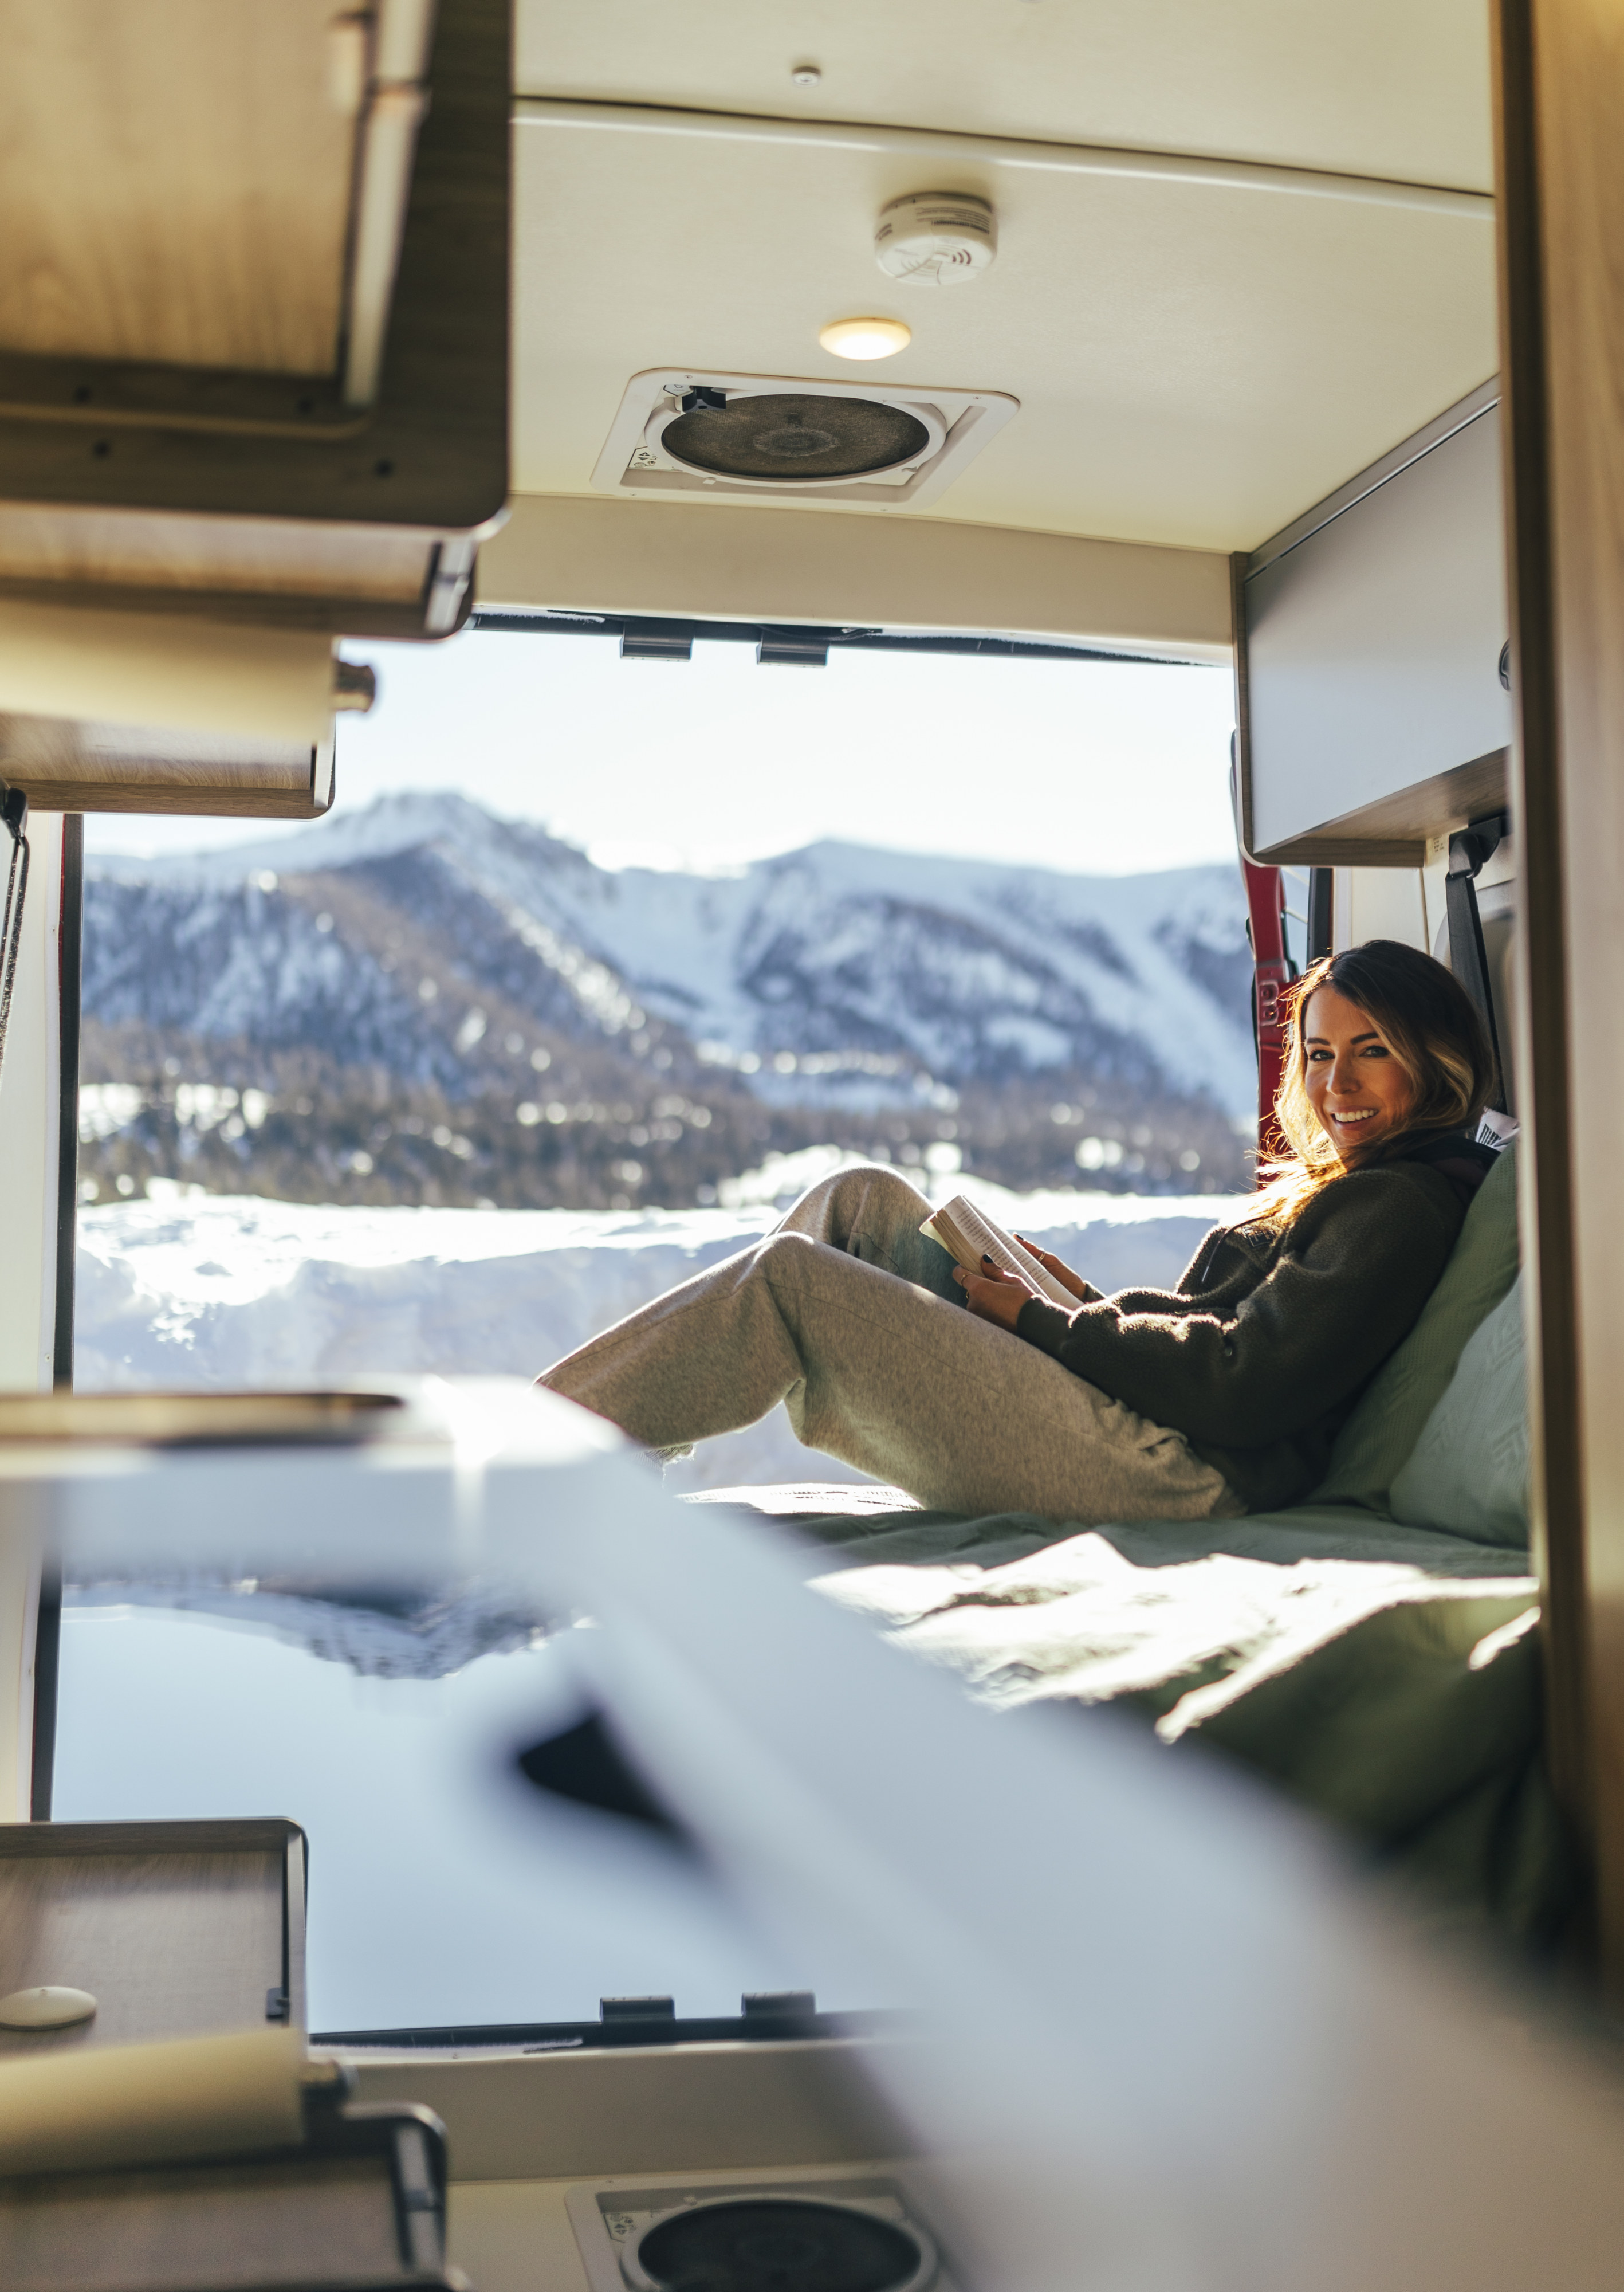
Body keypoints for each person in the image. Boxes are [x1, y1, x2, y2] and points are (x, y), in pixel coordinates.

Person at [538, 940, 1499, 1521]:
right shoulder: (1361, 1191)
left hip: (1190, 1478)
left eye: (1372, 1052)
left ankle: (517, 1468)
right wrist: (1066, 1296)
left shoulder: (1397, 1205)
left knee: (792, 1279)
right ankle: (599, 1445)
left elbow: (1246, 1383)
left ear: (1436, 1058)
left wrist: (1045, 1326)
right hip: (1170, 1434)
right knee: (862, 1200)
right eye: (1323, 1053)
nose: (1337, 1085)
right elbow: (1212, 1338)